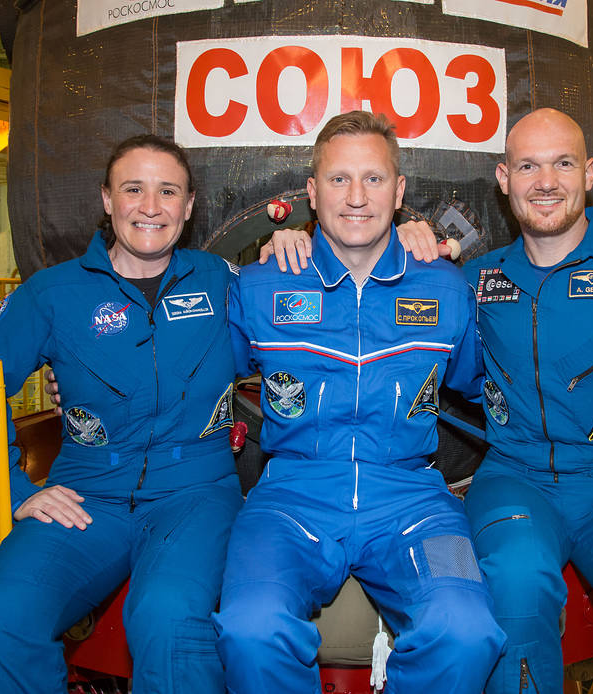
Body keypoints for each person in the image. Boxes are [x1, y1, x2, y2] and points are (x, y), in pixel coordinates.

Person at [265, 108, 593, 692]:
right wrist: (298, 242)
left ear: (589, 171)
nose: (545, 182)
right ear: (503, 179)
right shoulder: (475, 279)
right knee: (512, 601)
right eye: (527, 166)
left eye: (562, 163)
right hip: (512, 479)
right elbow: (401, 311)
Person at [213, 111, 505, 694]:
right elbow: (192, 377)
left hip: (410, 499)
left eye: (373, 179)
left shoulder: (445, 287)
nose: (355, 197)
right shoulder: (261, 284)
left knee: (467, 631)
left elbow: (489, 386)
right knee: (250, 628)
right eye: (339, 179)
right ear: (311, 193)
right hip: (292, 495)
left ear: (398, 193)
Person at [0, 134, 243, 694]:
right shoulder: (52, 295)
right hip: (86, 493)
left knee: (170, 623)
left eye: (167, 191)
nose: (150, 207)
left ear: (190, 206)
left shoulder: (222, 282)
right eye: (134, 189)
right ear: (107, 199)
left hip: (194, 490)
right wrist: (14, 486)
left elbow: (298, 335)